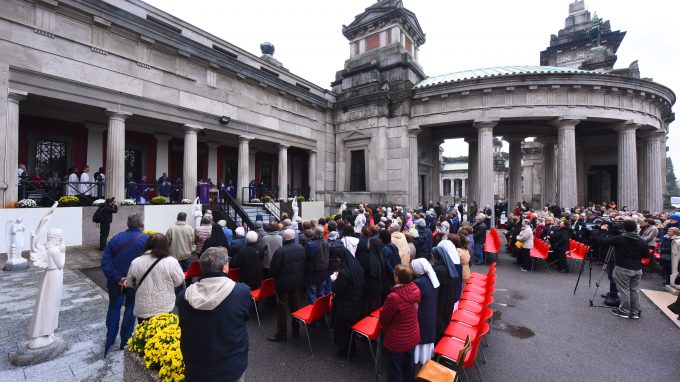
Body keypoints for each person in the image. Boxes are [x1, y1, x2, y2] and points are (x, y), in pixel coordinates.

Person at [177, 247, 251, 382]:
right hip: (231, 366)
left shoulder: (184, 297)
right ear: (224, 268)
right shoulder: (241, 292)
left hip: (196, 368)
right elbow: (246, 316)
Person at [100, 214, 149, 356]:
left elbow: (105, 262)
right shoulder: (146, 240)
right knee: (130, 309)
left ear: (128, 224)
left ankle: (111, 337)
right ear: (141, 225)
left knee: (113, 307)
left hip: (116, 282)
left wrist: (118, 278)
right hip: (135, 282)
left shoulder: (115, 238)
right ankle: (125, 340)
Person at [126, 233, 184, 322]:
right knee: (162, 333)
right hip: (165, 306)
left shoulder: (136, 262)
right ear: (166, 246)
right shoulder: (172, 262)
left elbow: (130, 283)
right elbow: (179, 281)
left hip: (143, 309)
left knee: (145, 333)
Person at [379, 264, 421, 382]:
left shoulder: (394, 297)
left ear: (397, 278)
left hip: (397, 338)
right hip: (413, 333)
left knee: (395, 369)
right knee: (409, 365)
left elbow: (385, 317)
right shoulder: (416, 290)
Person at [268, 229, 306, 342]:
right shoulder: (301, 248)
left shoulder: (280, 251)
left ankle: (281, 333)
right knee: (295, 305)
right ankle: (296, 329)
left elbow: (273, 270)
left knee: (282, 307)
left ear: (284, 238)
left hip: (283, 283)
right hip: (297, 281)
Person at [331, 245, 365, 357]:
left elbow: (337, 289)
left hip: (345, 304)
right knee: (350, 327)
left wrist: (335, 280)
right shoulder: (357, 266)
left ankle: (345, 350)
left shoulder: (345, 272)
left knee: (342, 329)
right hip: (356, 301)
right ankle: (352, 347)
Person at [411, 258, 439, 366]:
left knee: (421, 340)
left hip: (422, 316)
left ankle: (417, 360)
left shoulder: (418, 282)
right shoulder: (431, 278)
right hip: (430, 314)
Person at [432, 247, 459, 340]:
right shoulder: (448, 266)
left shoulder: (438, 270)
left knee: (440, 322)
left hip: (441, 300)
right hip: (448, 298)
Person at [358, 237, 385, 317]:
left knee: (366, 310)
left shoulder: (366, 258)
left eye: (368, 242)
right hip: (378, 287)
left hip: (367, 288)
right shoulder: (381, 256)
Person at [304, 226, 329, 303]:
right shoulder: (326, 242)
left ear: (315, 233)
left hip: (313, 273)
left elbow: (306, 258)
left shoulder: (310, 245)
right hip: (323, 271)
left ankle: (314, 312)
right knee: (321, 293)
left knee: (312, 293)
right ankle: (321, 311)